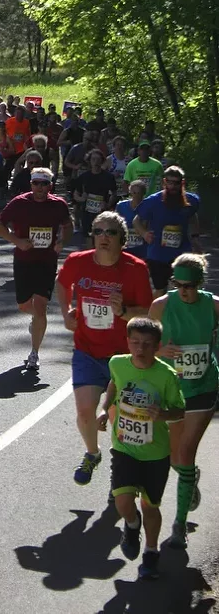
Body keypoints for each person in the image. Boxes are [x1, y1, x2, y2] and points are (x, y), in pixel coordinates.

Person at [56, 210, 153, 486]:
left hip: (123, 356)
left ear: (122, 239)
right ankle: (92, 453)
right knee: (85, 412)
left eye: (110, 232)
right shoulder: (78, 262)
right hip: (86, 350)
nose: (103, 237)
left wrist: (122, 311)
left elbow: (146, 310)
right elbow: (62, 285)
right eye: (98, 231)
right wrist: (66, 314)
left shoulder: (135, 268)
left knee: (118, 417)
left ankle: (121, 469)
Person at [97, 318, 184, 581]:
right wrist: (104, 408)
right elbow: (114, 382)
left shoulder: (166, 375)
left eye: (147, 344)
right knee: (123, 501)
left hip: (155, 453)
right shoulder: (118, 363)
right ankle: (132, 525)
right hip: (124, 448)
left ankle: (151, 553)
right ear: (127, 342)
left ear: (157, 346)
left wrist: (163, 415)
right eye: (135, 342)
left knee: (150, 506)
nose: (140, 348)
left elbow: (179, 410)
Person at [148, 253, 219, 549]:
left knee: (185, 453)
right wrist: (161, 350)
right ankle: (190, 478)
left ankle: (178, 525)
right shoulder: (162, 305)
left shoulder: (213, 305)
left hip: (203, 386)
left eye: (190, 285)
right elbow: (144, 347)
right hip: (171, 390)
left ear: (201, 283)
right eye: (179, 284)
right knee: (175, 458)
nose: (184, 290)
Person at [0, 168, 72, 371]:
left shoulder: (58, 205)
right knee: (23, 305)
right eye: (36, 183)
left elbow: (68, 225)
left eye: (44, 183)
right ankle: (36, 320)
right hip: (24, 260)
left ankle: (34, 353)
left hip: (46, 261)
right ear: (31, 184)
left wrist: (62, 242)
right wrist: (17, 241)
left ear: (50, 186)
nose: (40, 187)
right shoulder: (19, 202)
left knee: (40, 306)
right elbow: (0, 225)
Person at [133, 165, 201, 297]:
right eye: (169, 182)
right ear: (164, 182)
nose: (172, 187)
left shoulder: (191, 200)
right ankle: (155, 316)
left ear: (182, 183)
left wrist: (195, 237)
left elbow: (193, 216)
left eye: (176, 183)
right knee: (160, 290)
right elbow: (136, 220)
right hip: (158, 254)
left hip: (182, 253)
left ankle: (178, 316)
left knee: (183, 288)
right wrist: (144, 233)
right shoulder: (153, 201)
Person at [116, 181, 148, 260]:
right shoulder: (121, 206)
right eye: (134, 193)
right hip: (125, 247)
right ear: (130, 192)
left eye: (139, 193)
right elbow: (116, 225)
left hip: (142, 248)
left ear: (143, 193)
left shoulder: (148, 207)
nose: (136, 196)